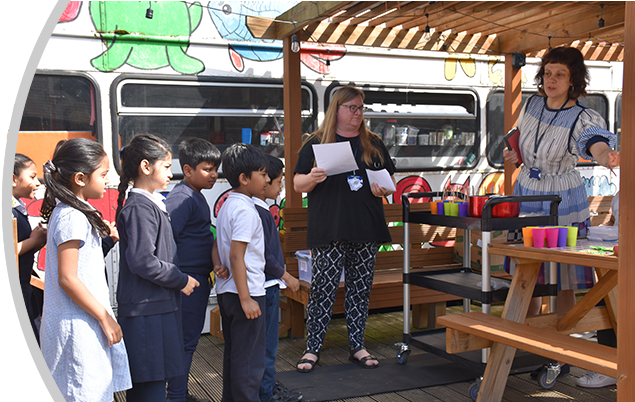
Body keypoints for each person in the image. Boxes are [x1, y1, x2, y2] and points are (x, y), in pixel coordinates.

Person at [503, 46, 620, 383]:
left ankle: (560, 353)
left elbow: (595, 143)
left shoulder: (583, 116)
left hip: (562, 198)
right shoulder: (532, 104)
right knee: (526, 273)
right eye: (548, 73)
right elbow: (522, 142)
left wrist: (606, 157)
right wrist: (515, 156)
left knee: (562, 279)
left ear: (573, 81)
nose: (551, 80)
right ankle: (527, 346)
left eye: (560, 74)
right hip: (527, 193)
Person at [294, 85, 396, 373]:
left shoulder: (373, 142)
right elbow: (297, 184)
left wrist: (382, 189)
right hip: (329, 228)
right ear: (336, 109)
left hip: (366, 227)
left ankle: (357, 345)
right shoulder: (316, 142)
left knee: (359, 290)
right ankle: (312, 348)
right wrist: (313, 178)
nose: (357, 113)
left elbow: (388, 180)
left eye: (361, 108)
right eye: (352, 108)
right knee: (322, 289)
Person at [39, 138, 131, 401]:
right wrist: (105, 317)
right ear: (80, 178)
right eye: (103, 174)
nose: (108, 180)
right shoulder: (72, 216)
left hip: (79, 321)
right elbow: (68, 278)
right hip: (76, 327)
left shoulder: (71, 212)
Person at [116, 134, 200, 402]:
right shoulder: (140, 207)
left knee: (153, 381)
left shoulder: (148, 203)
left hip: (154, 307)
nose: (170, 173)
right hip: (146, 311)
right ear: (145, 166)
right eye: (165, 166)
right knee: (149, 386)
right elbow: (142, 261)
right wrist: (180, 279)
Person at [165, 138, 221, 402]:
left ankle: (179, 392)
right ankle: (176, 396)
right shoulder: (182, 198)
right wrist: (178, 278)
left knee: (188, 340)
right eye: (207, 169)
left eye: (216, 169)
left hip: (197, 279)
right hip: (187, 281)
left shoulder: (194, 195)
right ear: (187, 170)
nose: (214, 175)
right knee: (185, 342)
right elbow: (166, 239)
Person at [215, 143, 269, 402]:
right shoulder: (247, 210)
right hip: (246, 293)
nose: (267, 179)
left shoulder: (227, 205)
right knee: (249, 361)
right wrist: (246, 298)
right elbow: (237, 255)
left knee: (235, 355)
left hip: (227, 292)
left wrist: (218, 264)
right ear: (244, 178)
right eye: (263, 174)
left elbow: (217, 244)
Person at [12, 153, 47, 345]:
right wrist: (33, 241)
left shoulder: (16, 208)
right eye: (32, 177)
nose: (38, 183)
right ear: (13, 179)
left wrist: (36, 243)